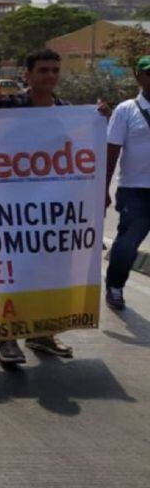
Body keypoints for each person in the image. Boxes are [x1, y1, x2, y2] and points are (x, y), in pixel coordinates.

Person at [0, 48, 107, 365]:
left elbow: (83, 149)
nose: (50, 76)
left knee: (52, 271)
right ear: (28, 75)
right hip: (15, 208)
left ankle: (41, 334)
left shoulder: (68, 111)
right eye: (43, 70)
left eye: (55, 70)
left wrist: (98, 117)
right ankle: (8, 338)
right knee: (18, 272)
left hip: (56, 209)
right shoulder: (10, 105)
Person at [103, 55, 150, 310]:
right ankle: (115, 285)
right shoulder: (126, 110)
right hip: (135, 189)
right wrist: (104, 189)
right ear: (139, 77)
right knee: (127, 244)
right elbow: (112, 152)